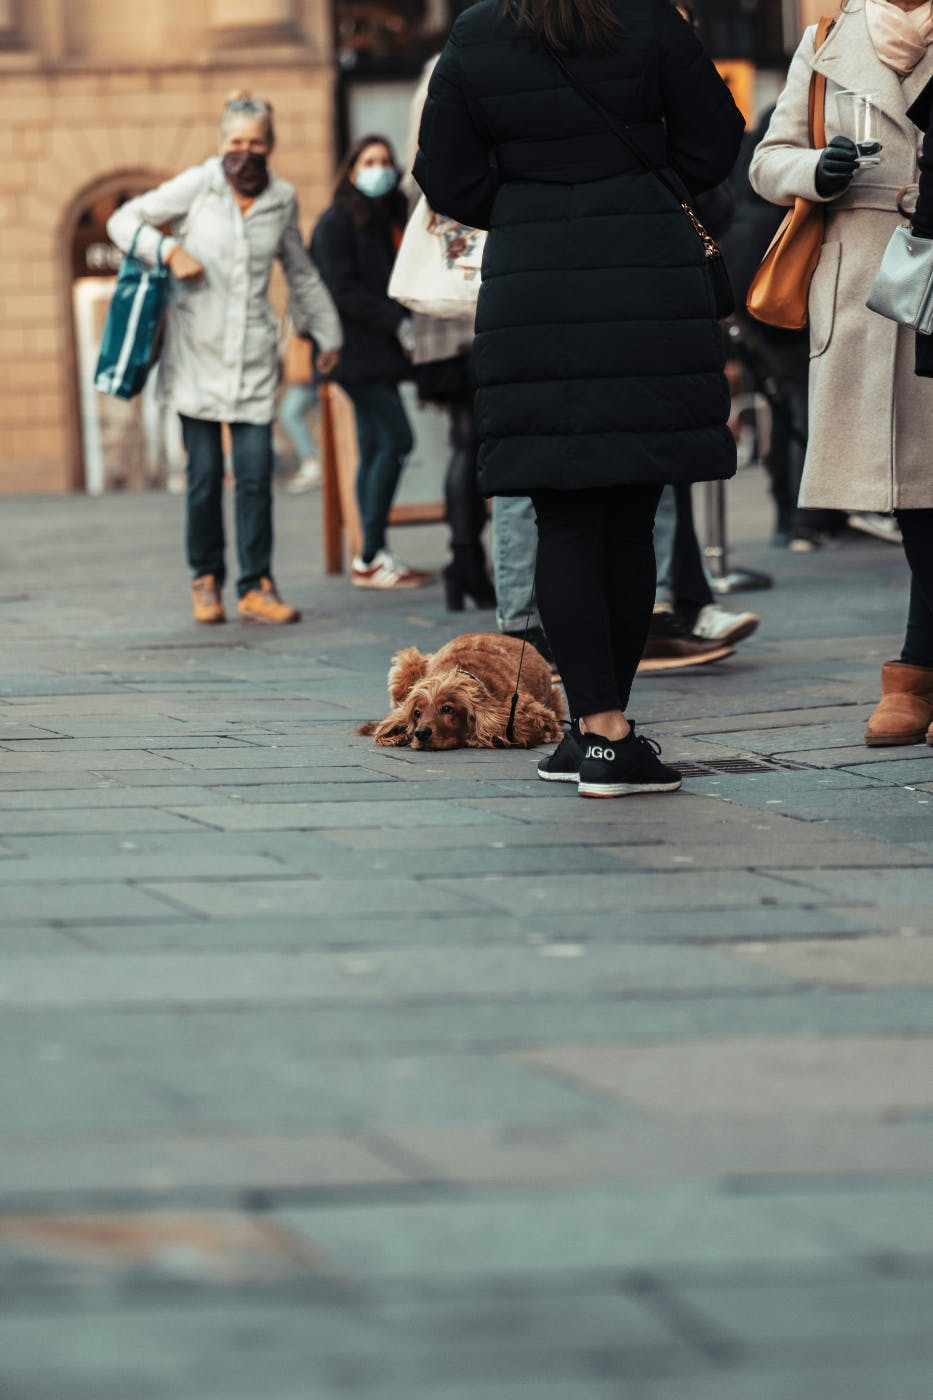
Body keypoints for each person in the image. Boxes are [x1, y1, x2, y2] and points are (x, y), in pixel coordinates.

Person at [415, 0, 745, 798]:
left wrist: (527, 205)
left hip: (533, 283)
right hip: (647, 275)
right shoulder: (649, 21)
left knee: (561, 511)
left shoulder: (478, 32)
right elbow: (715, 139)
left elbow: (444, 173)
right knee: (631, 511)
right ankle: (605, 733)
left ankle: (590, 731)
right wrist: (635, 187)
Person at [750, 0, 933, 745]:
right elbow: (766, 160)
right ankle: (917, 671)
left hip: (928, 259)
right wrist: (813, 171)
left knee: (926, 486)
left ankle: (914, 671)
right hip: (863, 279)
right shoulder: (826, 40)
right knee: (904, 490)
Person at [108, 92, 341, 625]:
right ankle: (205, 577)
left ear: (270, 145)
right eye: (236, 141)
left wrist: (329, 336)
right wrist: (170, 251)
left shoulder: (280, 198)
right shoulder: (198, 186)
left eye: (256, 142)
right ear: (221, 144)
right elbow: (123, 221)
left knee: (257, 475)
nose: (245, 151)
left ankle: (256, 584)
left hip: (253, 360)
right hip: (195, 356)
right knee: (206, 476)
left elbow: (299, 271)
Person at [310, 136, 430, 590]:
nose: (378, 168)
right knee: (396, 439)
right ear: (352, 169)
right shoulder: (337, 220)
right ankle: (370, 553)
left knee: (375, 446)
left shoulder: (383, 220)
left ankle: (370, 554)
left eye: (384, 161)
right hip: (354, 353)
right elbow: (339, 290)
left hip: (375, 354)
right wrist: (395, 319)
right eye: (368, 161)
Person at [404, 58, 496, 612]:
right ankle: (468, 561)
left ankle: (463, 558)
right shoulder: (472, 73)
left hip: (437, 312)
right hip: (472, 301)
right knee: (478, 441)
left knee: (465, 440)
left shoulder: (428, 89)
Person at [278, 331, 322, 492]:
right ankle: (314, 463)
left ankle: (312, 464)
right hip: (307, 367)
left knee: (290, 414)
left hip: (311, 365)